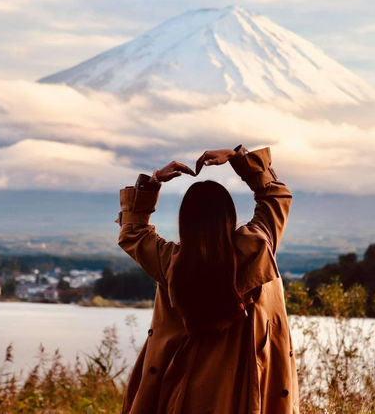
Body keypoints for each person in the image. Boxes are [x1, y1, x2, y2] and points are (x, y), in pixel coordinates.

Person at [115, 144, 298, 414]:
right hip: (247, 396)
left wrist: (153, 182)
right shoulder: (257, 249)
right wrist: (239, 159)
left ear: (184, 221)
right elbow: (275, 197)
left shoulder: (171, 263)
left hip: (181, 394)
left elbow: (133, 232)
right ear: (229, 216)